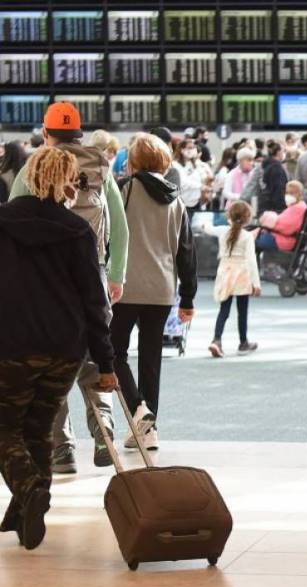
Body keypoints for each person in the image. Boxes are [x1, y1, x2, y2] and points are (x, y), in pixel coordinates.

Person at [0, 146, 118, 549]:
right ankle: (25, 512)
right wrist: (105, 362)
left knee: (4, 427)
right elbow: (93, 301)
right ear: (68, 181)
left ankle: (30, 490)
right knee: (37, 428)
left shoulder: (3, 221)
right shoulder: (77, 230)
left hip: (12, 344)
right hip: (65, 348)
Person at [5, 102, 129, 475]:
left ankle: (62, 449)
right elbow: (120, 226)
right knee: (93, 357)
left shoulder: (34, 167)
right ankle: (104, 426)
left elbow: (15, 229)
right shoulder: (100, 167)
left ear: (46, 134)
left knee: (50, 362)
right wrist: (116, 274)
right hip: (94, 275)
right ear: (79, 132)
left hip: (45, 285)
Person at [111, 133, 197, 453]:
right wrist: (187, 297)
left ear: (133, 161)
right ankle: (148, 430)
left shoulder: (124, 191)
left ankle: (138, 410)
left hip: (126, 286)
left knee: (113, 352)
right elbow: (186, 252)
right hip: (162, 290)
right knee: (151, 359)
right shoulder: (177, 201)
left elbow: (110, 236)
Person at [206, 201, 261, 358]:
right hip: (242, 274)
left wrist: (205, 225)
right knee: (242, 311)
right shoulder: (247, 236)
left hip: (225, 271)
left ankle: (216, 340)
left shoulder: (223, 231)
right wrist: (256, 284)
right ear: (247, 218)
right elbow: (251, 260)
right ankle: (243, 342)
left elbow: (209, 229)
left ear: (229, 216)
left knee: (224, 309)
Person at [257, 180, 307, 253]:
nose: (288, 195)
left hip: (283, 241)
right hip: (283, 238)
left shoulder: (298, 208)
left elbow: (284, 225)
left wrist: (266, 217)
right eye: (287, 193)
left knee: (249, 241)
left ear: (299, 194)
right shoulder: (297, 206)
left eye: (292, 193)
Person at [172, 138, 213, 212]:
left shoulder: (193, 163)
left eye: (194, 148)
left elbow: (200, 178)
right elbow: (183, 183)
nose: (193, 150)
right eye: (190, 148)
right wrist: (201, 186)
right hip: (183, 204)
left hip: (196, 202)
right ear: (182, 150)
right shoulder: (175, 165)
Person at [257, 140, 288, 216]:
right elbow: (279, 188)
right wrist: (281, 208)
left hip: (265, 204)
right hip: (274, 207)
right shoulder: (277, 168)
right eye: (283, 151)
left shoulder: (267, 165)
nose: (284, 154)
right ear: (278, 152)